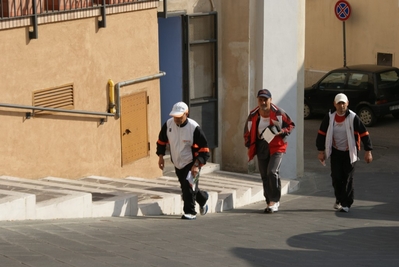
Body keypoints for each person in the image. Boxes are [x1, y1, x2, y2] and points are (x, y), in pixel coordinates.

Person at [316, 93, 373, 213]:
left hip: (350, 152)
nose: (341, 106)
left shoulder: (353, 117)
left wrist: (368, 151)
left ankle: (346, 203)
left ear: (347, 104)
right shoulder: (330, 117)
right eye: (339, 103)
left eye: (343, 103)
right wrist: (321, 151)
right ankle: (339, 198)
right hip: (336, 151)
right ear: (334, 104)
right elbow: (322, 133)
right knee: (336, 177)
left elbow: (364, 133)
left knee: (347, 178)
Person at [244, 89, 295, 213]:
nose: (263, 102)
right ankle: (269, 201)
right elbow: (247, 132)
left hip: (277, 145)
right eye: (260, 99)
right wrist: (249, 146)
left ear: (270, 100)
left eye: (265, 99)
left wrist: (281, 131)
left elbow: (290, 125)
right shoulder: (253, 115)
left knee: (272, 171)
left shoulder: (278, 112)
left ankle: (274, 200)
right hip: (261, 145)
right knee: (264, 175)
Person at [156, 101, 210, 220]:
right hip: (177, 162)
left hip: (192, 162)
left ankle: (190, 212)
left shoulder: (194, 128)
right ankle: (203, 198)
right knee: (186, 187)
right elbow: (161, 141)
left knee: (189, 187)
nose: (176, 119)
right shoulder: (168, 125)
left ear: (186, 114)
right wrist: (161, 156)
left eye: (179, 116)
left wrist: (196, 165)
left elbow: (205, 149)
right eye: (175, 116)